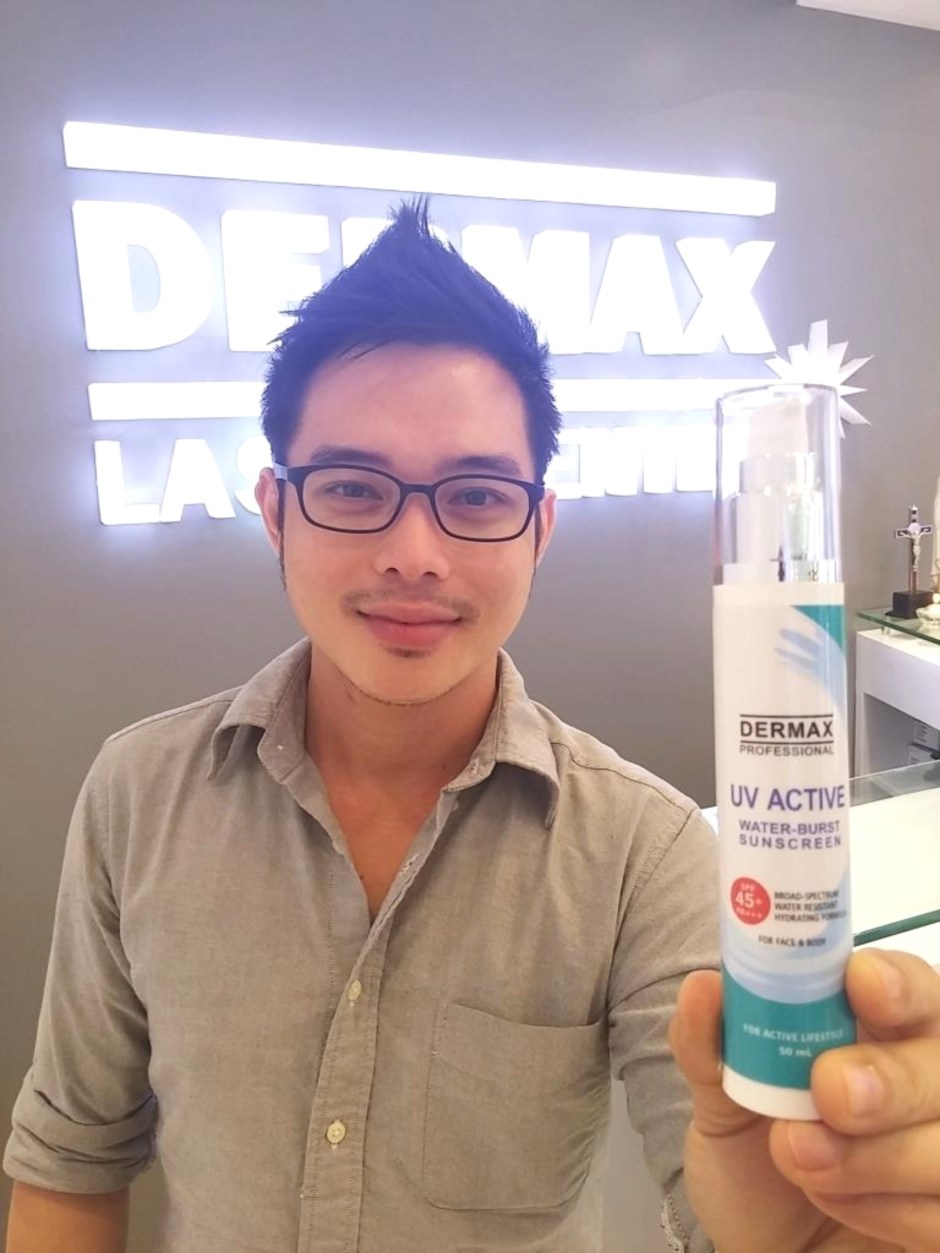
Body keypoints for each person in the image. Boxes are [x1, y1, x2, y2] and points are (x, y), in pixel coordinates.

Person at [4, 202, 939, 1253]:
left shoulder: (642, 850)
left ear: (539, 528)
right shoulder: (139, 794)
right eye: (352, 486)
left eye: (478, 495)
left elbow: (726, 1185)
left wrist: (813, 1221)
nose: (415, 552)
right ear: (274, 510)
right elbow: (69, 1168)